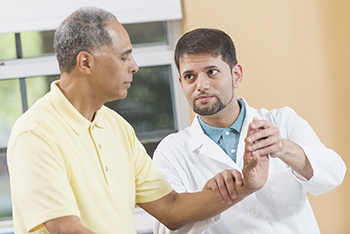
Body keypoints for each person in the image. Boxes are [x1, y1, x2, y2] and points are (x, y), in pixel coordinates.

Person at [6, 7, 270, 234]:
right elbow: (66, 229)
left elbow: (171, 207)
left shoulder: (117, 128)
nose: (134, 66)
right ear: (85, 62)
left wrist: (246, 186)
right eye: (124, 56)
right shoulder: (35, 133)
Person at [152, 28, 347, 234]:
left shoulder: (282, 120)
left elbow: (333, 174)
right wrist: (210, 198)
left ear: (236, 75)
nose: (201, 85)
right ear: (182, 85)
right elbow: (165, 229)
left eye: (212, 72)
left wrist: (283, 148)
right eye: (190, 76)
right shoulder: (171, 152)